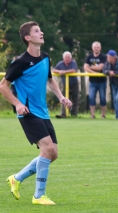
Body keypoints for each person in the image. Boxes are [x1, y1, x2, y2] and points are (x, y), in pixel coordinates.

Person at [0, 21, 72, 205]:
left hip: (43, 112)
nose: (41, 33)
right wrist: (17, 104)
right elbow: (3, 86)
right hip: (28, 112)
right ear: (27, 37)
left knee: (52, 153)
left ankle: (17, 178)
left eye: (41, 30)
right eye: (37, 31)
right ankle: (39, 195)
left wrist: (61, 97)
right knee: (47, 149)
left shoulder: (46, 58)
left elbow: (50, 80)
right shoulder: (21, 62)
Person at [84, 41, 107, 118]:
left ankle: (103, 115)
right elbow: (85, 67)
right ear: (92, 48)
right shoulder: (89, 57)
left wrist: (90, 67)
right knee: (91, 98)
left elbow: (100, 67)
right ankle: (92, 114)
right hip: (92, 82)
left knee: (103, 98)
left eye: (97, 47)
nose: (96, 49)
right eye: (95, 47)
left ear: (100, 48)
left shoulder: (103, 57)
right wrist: (94, 72)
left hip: (102, 81)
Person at [53, 51, 79, 118]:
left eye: (68, 57)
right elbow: (54, 70)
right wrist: (60, 71)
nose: (67, 58)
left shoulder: (73, 62)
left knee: (75, 99)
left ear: (71, 58)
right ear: (63, 58)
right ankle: (63, 114)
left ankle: (74, 114)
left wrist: (64, 72)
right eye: (66, 57)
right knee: (63, 99)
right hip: (65, 85)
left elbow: (73, 70)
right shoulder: (60, 64)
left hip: (74, 84)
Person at [103, 50, 118, 119]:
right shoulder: (107, 62)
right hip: (114, 83)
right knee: (115, 100)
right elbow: (104, 70)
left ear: (113, 57)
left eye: (109, 57)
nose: (107, 58)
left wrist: (114, 73)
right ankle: (117, 115)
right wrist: (109, 72)